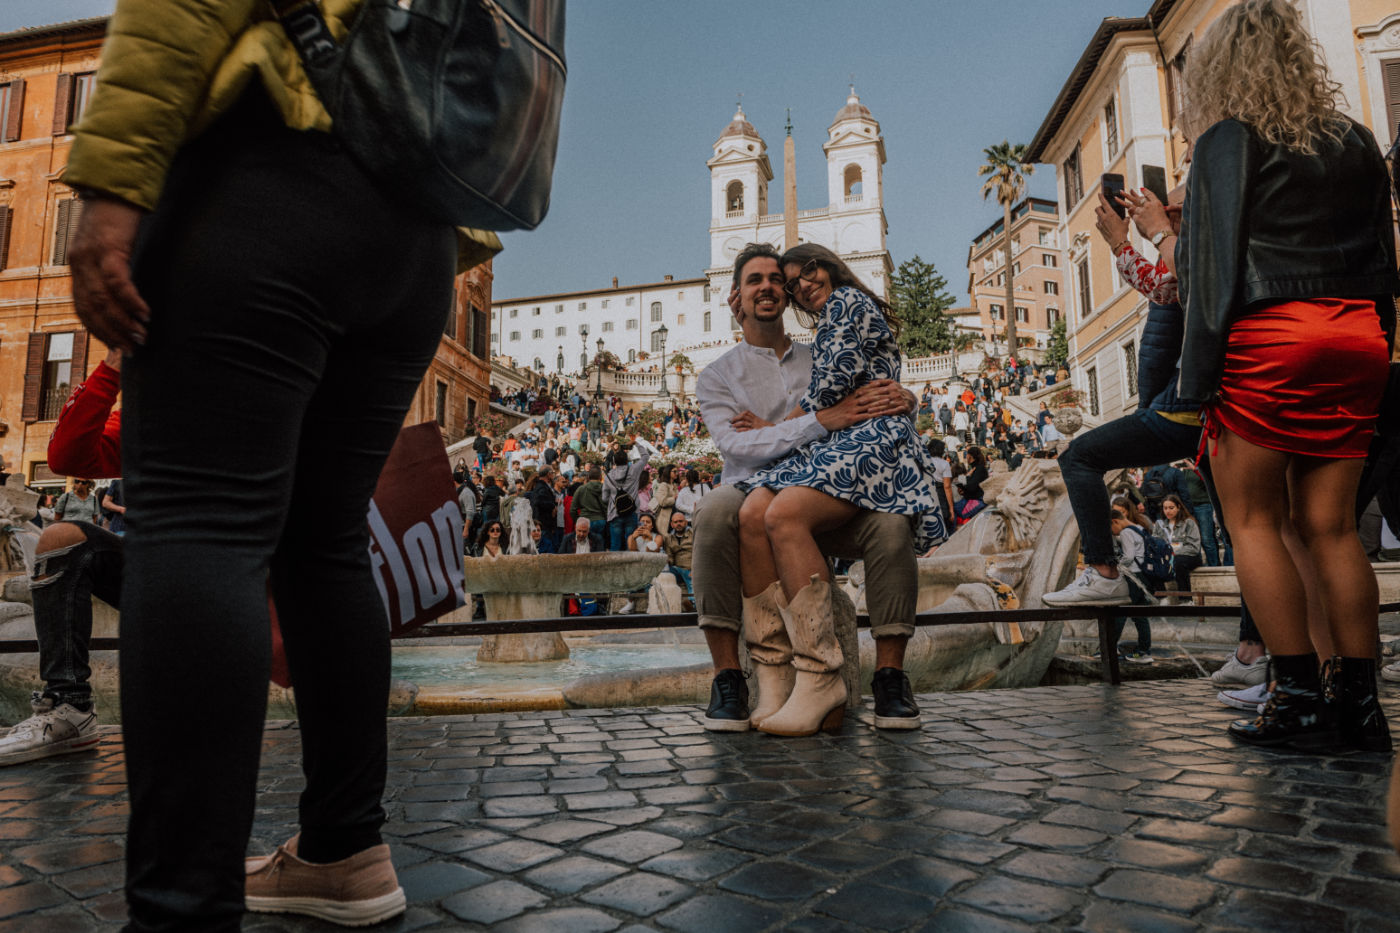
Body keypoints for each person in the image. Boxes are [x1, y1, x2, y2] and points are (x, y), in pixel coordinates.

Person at [62, 0, 506, 925]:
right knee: (324, 542)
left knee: (200, 530)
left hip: (271, 175)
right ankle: (345, 847)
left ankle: (181, 908)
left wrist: (111, 182)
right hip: (415, 235)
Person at [1176, 0, 1398, 751]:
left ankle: (1296, 696)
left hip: (1271, 338)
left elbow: (1209, 274)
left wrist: (1195, 386)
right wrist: (1381, 350)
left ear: (1223, 69)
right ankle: (1361, 708)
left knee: (1254, 522)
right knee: (1333, 528)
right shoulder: (1359, 139)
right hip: (1357, 335)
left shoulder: (1226, 140)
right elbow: (1384, 259)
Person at [716, 243, 942, 737]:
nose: (800, 285)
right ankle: (775, 672)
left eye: (805, 273)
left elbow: (831, 389)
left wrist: (906, 398)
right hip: (842, 445)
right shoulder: (736, 363)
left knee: (784, 516)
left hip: (867, 441)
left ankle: (839, 676)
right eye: (792, 282)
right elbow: (832, 392)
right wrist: (771, 428)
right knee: (755, 511)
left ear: (830, 266)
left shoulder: (842, 307)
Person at [0, 352, 125, 766]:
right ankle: (70, 705)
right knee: (60, 538)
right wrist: (112, 368)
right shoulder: (150, 416)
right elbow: (67, 458)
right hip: (163, 563)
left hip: (246, 566)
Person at [603, 441, 654, 551]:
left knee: (615, 544)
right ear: (627, 460)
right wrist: (636, 443)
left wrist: (614, 500)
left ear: (614, 462)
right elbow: (645, 456)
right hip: (632, 511)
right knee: (631, 541)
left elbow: (604, 498)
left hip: (614, 513)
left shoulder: (608, 476)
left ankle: (615, 567)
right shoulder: (634, 470)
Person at [1154, 494, 1203, 600]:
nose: (1168, 511)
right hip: (1167, 557)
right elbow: (1155, 544)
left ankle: (1186, 598)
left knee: (1178, 562)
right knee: (1153, 563)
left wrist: (1173, 553)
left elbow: (1193, 547)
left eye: (1171, 508)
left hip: (1188, 556)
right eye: (1165, 508)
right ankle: (1162, 598)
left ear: (1178, 507)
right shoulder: (1160, 525)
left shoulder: (1189, 523)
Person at [663, 510, 695, 596]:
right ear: (672, 524)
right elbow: (669, 556)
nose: (678, 524)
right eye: (676, 522)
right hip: (677, 569)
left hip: (691, 568)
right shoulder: (669, 538)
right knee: (663, 575)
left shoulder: (694, 534)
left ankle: (693, 605)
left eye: (681, 521)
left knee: (693, 583)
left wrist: (695, 568)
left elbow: (699, 553)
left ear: (686, 522)